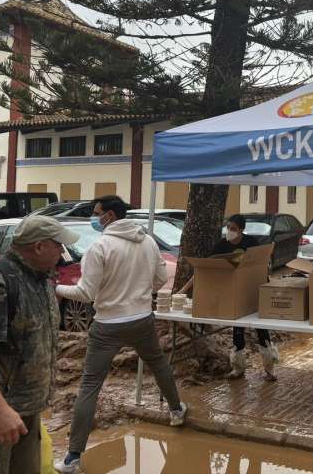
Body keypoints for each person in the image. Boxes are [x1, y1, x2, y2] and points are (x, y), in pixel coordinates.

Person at [54, 195, 187, 474]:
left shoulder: (99, 247)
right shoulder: (148, 241)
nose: (94, 217)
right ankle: (176, 411)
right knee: (158, 363)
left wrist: (55, 288)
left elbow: (85, 294)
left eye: (96, 213)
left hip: (107, 325)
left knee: (90, 385)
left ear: (110, 216)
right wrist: (139, 293)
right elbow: (160, 279)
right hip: (141, 319)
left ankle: (72, 458)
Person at [0, 215, 79, 474]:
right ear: (39, 247)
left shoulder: (40, 281)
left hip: (25, 412)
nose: (62, 253)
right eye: (59, 246)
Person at [212, 214, 279, 381]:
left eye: (233, 228)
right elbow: (211, 263)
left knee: (262, 329)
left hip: (253, 290)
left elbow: (262, 262)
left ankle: (270, 368)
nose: (229, 231)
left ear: (241, 230)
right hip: (234, 291)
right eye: (228, 228)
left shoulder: (251, 243)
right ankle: (238, 367)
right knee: (237, 330)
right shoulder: (222, 245)